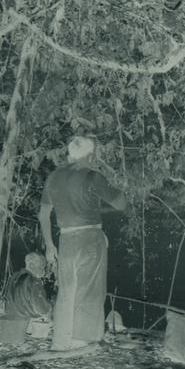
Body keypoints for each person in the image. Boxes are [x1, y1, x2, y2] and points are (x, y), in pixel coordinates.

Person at [39, 135, 126, 351]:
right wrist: (119, 187)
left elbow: (43, 215)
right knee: (90, 289)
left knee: (67, 290)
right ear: (89, 155)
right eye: (93, 154)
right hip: (90, 239)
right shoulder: (92, 176)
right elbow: (120, 204)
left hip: (65, 239)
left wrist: (50, 246)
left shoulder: (53, 177)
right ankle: (82, 340)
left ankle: (61, 340)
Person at [3, 252, 52, 321]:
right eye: (41, 265)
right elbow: (43, 310)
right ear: (31, 265)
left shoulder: (13, 277)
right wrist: (51, 306)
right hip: (27, 323)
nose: (43, 270)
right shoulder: (34, 281)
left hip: (11, 321)